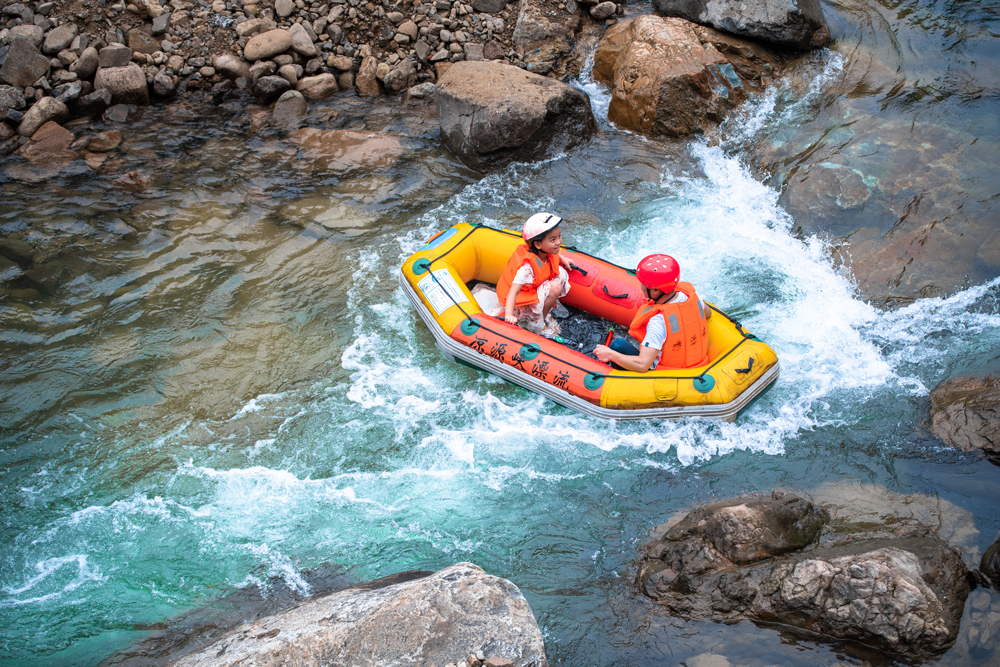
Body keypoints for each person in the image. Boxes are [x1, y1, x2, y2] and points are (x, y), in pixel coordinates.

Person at [593, 254, 712, 372]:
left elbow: (642, 365)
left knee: (617, 345)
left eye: (643, 284)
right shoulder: (692, 298)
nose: (641, 286)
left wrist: (609, 354)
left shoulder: (658, 321)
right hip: (697, 364)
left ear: (655, 291)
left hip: (667, 374)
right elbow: (708, 313)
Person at [494, 212, 574, 336]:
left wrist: (562, 258)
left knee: (561, 273)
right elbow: (512, 293)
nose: (559, 242)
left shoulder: (543, 251)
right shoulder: (526, 269)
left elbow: (552, 253)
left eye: (559, 236)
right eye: (553, 239)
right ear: (537, 244)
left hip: (534, 290)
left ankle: (544, 315)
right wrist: (509, 315)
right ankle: (536, 325)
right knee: (554, 287)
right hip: (520, 305)